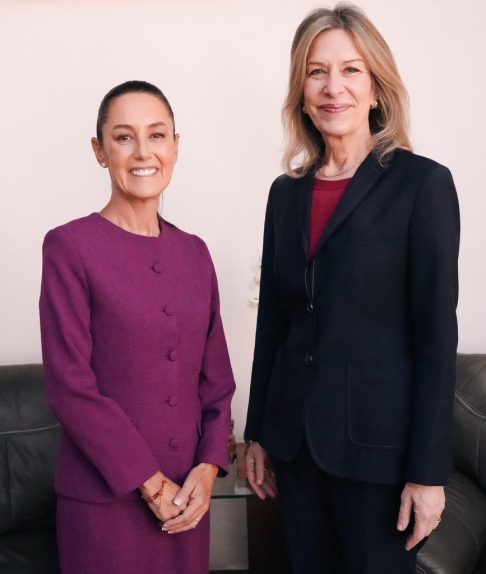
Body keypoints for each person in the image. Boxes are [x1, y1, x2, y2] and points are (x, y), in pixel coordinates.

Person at [244, 4, 460, 573]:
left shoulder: (423, 186)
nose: (332, 87)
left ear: (376, 87)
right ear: (301, 88)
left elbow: (437, 338)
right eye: (316, 71)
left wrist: (428, 471)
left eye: (350, 70)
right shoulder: (284, 194)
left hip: (379, 456)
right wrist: (258, 432)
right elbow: (274, 322)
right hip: (294, 446)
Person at [39, 80, 235, 574]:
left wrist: (208, 471)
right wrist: (149, 482)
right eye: (124, 137)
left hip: (188, 504)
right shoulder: (69, 248)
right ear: (99, 150)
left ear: (176, 145)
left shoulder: (195, 252)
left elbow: (217, 381)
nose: (143, 152)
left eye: (157, 135)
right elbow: (70, 387)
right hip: (105, 505)